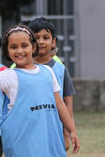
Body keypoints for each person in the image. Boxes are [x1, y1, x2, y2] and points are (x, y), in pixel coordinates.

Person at [0, 25, 80, 157]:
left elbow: (60, 103)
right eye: (13, 47)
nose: (19, 51)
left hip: (51, 143)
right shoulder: (9, 76)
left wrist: (72, 130)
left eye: (24, 45)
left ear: (33, 47)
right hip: (23, 147)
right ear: (7, 50)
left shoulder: (48, 72)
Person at [28, 17, 76, 151]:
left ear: (53, 42)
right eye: (36, 38)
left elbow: (67, 105)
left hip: (54, 131)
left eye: (45, 37)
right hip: (30, 131)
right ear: (30, 42)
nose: (41, 42)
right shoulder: (20, 69)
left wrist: (67, 134)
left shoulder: (60, 70)